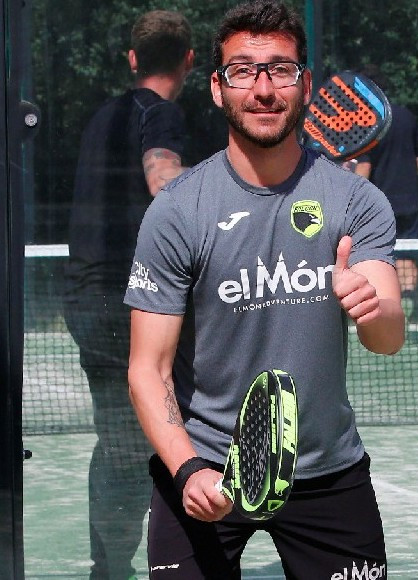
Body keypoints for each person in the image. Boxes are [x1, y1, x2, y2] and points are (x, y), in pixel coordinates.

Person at [124, 2, 405, 578]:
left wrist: (371, 307)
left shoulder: (356, 201)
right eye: (242, 71)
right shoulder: (178, 211)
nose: (263, 88)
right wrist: (187, 470)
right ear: (217, 87)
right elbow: (147, 369)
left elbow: (387, 339)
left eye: (280, 69)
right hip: (205, 468)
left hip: (326, 472)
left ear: (305, 84)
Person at [63, 10, 194, 580]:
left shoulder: (103, 117)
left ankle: (110, 567)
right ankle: (151, 564)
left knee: (119, 441)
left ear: (133, 58)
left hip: (86, 298)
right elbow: (164, 185)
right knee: (159, 439)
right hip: (128, 304)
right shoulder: (160, 113)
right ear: (190, 60)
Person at [355, 81, 418, 318]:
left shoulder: (367, 121)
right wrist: (404, 175)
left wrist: (352, 196)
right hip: (409, 203)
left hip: (377, 207)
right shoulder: (406, 116)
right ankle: (405, 311)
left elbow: (364, 167)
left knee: (375, 258)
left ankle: (386, 314)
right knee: (407, 258)